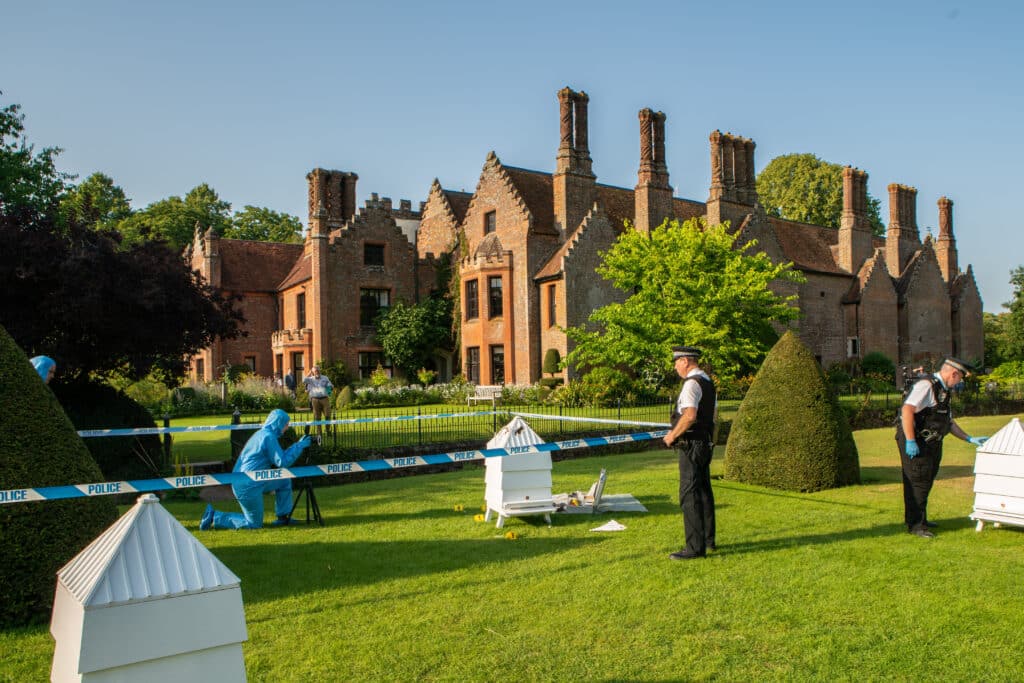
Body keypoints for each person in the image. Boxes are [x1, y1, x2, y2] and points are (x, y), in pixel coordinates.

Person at [897, 357, 988, 538]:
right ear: (953, 373)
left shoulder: (944, 391)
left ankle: (919, 518)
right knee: (918, 482)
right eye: (960, 378)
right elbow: (907, 410)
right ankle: (917, 525)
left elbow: (949, 422)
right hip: (918, 441)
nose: (959, 382)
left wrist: (969, 438)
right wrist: (910, 440)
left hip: (933, 442)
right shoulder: (927, 385)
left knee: (927, 479)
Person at [200, 409, 312, 530]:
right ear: (278, 423)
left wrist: (297, 446)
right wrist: (299, 446)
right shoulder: (268, 437)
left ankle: (283, 517)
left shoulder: (263, 434)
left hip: (253, 479)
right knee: (253, 525)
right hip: (248, 485)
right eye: (286, 424)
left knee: (284, 480)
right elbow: (282, 462)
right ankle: (214, 516)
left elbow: (279, 458)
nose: (287, 427)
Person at [662, 345, 717, 560]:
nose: (676, 367)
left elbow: (689, 415)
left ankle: (694, 548)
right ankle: (708, 540)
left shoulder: (691, 384)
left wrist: (672, 436)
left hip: (691, 445)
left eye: (676, 362)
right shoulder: (708, 382)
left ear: (685, 361)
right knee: (703, 493)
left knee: (689, 494)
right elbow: (713, 416)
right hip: (703, 443)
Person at [303, 365, 334, 440]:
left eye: (318, 370)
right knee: (317, 417)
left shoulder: (325, 378)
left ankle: (327, 430)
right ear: (313, 372)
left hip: (324, 399)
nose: (317, 372)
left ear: (320, 371)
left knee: (328, 415)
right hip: (315, 400)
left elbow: (330, 385)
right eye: (315, 371)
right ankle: (319, 434)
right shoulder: (310, 379)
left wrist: (330, 386)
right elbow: (304, 380)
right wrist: (309, 373)